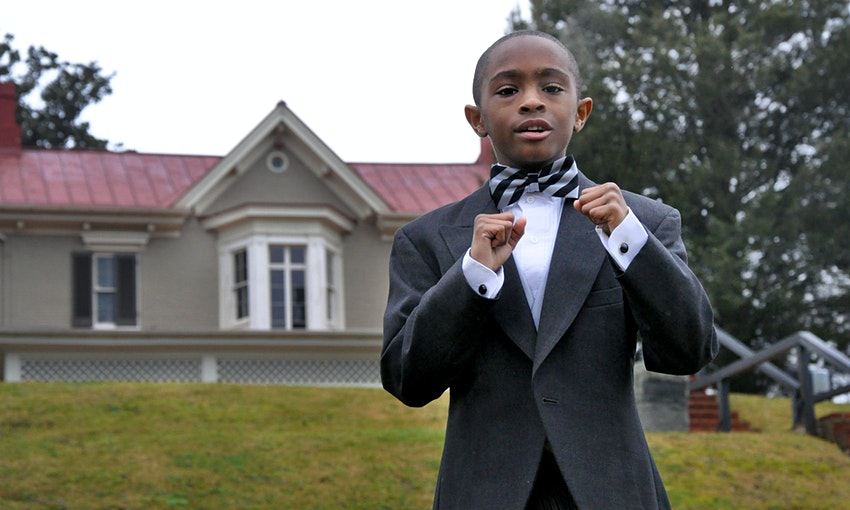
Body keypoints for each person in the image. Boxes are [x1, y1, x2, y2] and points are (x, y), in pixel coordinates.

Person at [381, 29, 717, 510]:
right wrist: (472, 273)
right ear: (477, 119)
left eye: (552, 88)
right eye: (508, 89)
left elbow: (689, 349)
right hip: (481, 493)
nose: (531, 102)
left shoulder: (644, 222)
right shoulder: (426, 238)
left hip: (616, 492)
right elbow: (406, 380)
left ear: (581, 113)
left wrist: (629, 240)